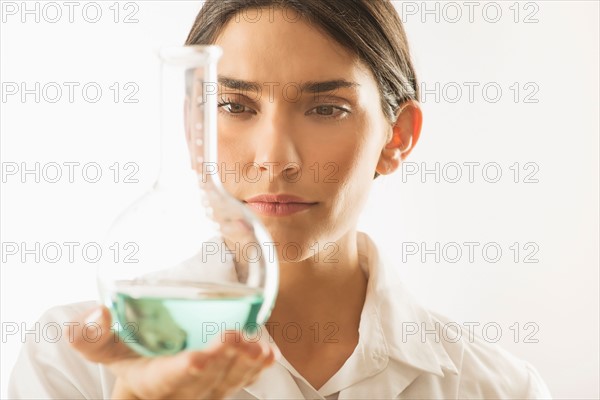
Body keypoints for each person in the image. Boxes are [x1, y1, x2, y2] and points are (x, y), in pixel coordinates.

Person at [8, 1, 552, 399]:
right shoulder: (73, 364)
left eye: (326, 109)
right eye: (236, 106)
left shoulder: (496, 388)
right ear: (193, 127)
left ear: (398, 137)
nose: (275, 158)